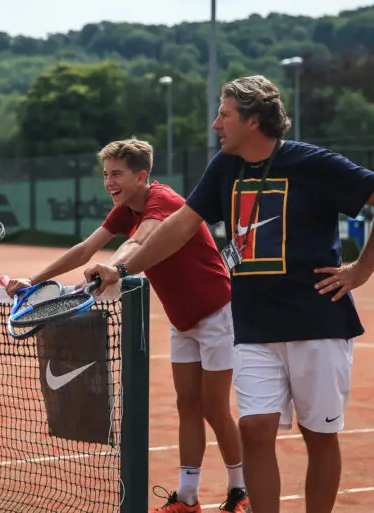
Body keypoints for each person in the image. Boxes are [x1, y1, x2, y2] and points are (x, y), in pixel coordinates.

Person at [85, 75, 374, 513]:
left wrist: (359, 270)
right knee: (255, 429)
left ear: (253, 121)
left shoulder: (312, 163)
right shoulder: (225, 168)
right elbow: (179, 227)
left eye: (224, 115)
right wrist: (123, 268)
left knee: (319, 436)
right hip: (254, 326)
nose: (215, 124)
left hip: (317, 321)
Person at [4, 138, 250, 512]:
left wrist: (113, 269)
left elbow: (141, 240)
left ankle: (239, 489)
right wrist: (33, 279)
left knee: (214, 408)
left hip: (218, 312)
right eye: (105, 174)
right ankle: (188, 497)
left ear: (142, 175)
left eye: (116, 174)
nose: (109, 182)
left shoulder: (162, 200)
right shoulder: (124, 209)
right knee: (187, 405)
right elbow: (86, 249)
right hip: (182, 319)